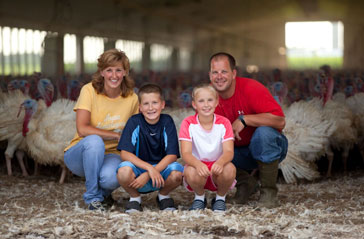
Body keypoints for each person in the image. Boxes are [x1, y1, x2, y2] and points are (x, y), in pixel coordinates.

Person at [209, 52, 288, 208]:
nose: (219, 76)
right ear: (210, 75)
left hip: (268, 147)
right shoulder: (208, 99)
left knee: (263, 133)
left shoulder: (251, 88)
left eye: (224, 71)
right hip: (236, 153)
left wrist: (245, 119)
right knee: (204, 146)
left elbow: (280, 121)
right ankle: (246, 184)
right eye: (215, 72)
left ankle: (268, 193)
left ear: (233, 74)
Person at [64, 49, 139, 211]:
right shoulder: (89, 90)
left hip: (112, 155)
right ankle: (93, 198)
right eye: (109, 70)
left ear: (125, 72)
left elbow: (135, 131)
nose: (114, 75)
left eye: (118, 70)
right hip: (82, 153)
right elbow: (82, 129)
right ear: (102, 72)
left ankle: (103, 193)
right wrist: (115, 135)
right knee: (94, 141)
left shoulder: (132, 98)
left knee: (112, 178)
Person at [116, 83, 183, 213]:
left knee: (177, 174)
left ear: (162, 104)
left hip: (161, 170)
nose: (151, 108)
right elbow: (125, 153)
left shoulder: (167, 121)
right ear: (140, 107)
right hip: (139, 169)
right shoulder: (134, 121)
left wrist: (151, 172)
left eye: (155, 103)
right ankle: (135, 198)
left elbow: (172, 155)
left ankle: (163, 195)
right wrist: (148, 169)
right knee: (123, 171)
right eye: (146, 104)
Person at [179, 84, 236, 212]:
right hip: (198, 165)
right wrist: (198, 164)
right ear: (194, 105)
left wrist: (220, 162)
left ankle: (220, 198)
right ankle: (199, 197)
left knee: (230, 169)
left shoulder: (224, 123)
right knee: (190, 172)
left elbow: (229, 151)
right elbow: (186, 153)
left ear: (216, 102)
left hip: (217, 165)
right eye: (201, 101)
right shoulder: (188, 123)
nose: (206, 104)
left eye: (210, 100)